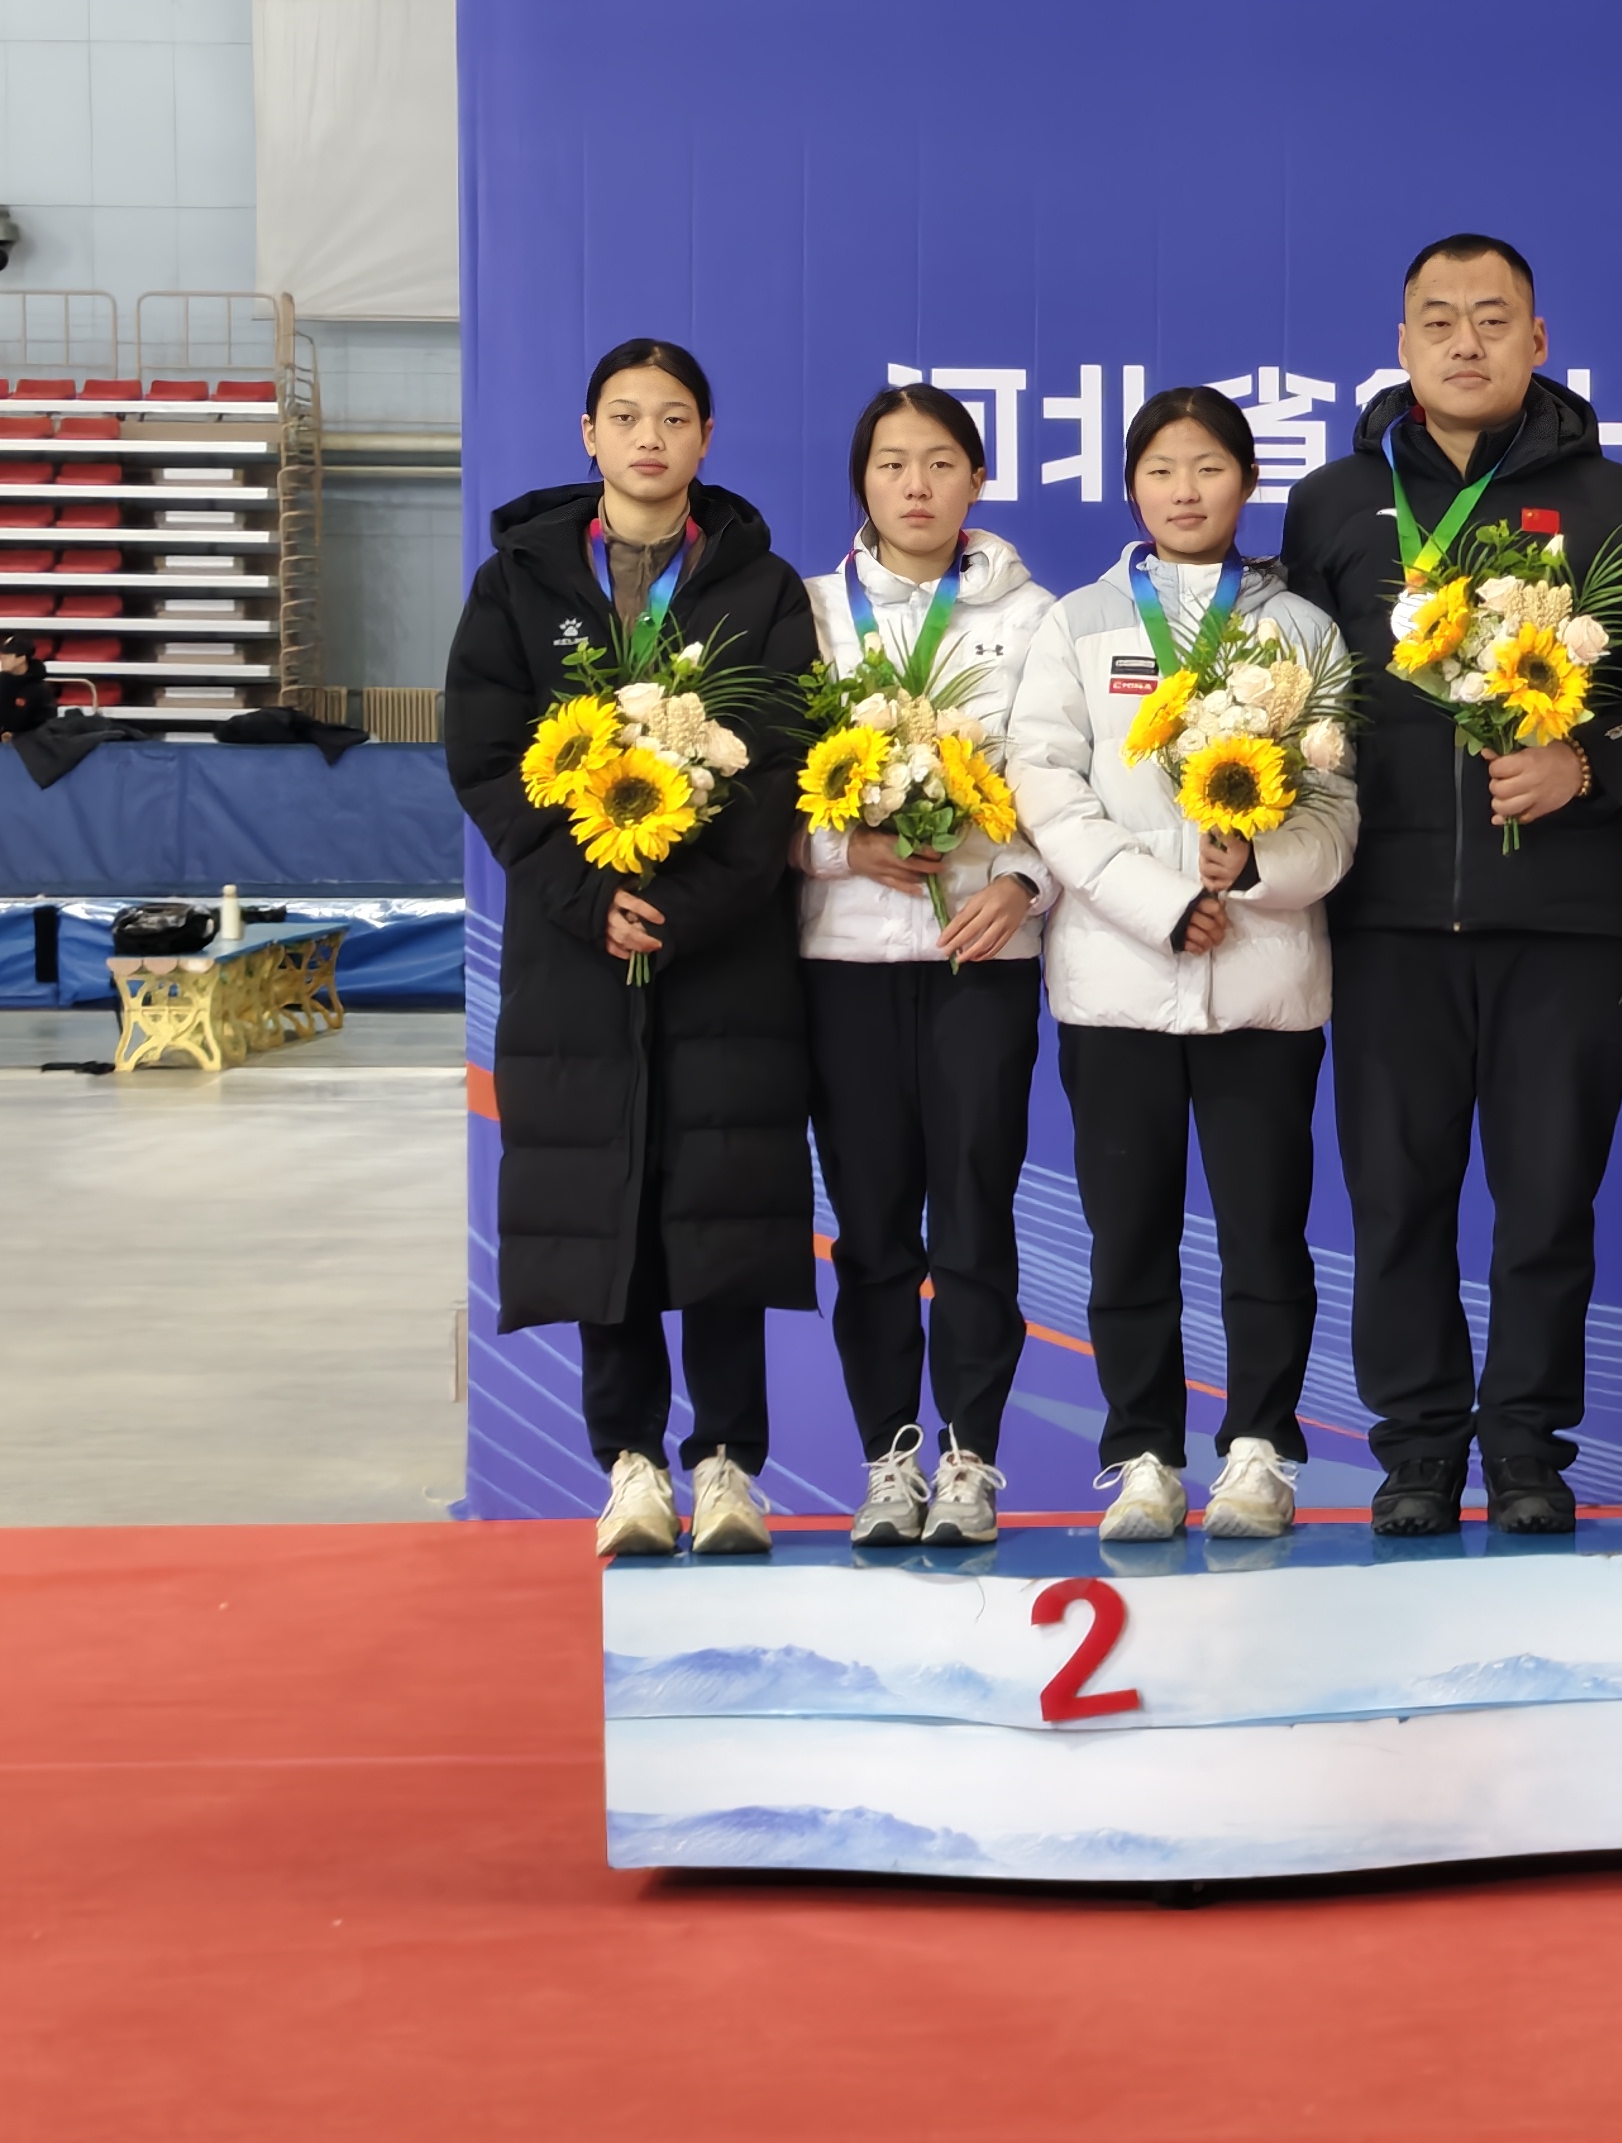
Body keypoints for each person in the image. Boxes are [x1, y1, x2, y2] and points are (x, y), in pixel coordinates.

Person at [1279, 236, 1622, 1535]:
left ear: (1538, 338)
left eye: (1490, 318)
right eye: (1437, 321)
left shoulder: (1620, 505)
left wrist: (1587, 765)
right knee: (1396, 1207)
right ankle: (1416, 1453)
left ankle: (1528, 1452)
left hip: (1561, 926)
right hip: (1386, 922)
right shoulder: (1334, 503)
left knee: (1546, 1208)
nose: (1464, 343)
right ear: (1402, 343)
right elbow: (1294, 694)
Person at [443, 337, 816, 1560]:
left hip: (725, 949)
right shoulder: (518, 582)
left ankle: (730, 1467)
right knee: (602, 1205)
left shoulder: (760, 587)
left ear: (706, 437)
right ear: (588, 434)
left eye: (673, 417)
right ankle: (633, 1466)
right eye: (624, 415)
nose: (649, 437)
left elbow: (780, 768)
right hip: (576, 948)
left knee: (720, 1205)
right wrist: (583, 891)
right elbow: (485, 759)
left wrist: (691, 905)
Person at [1004, 386, 1356, 1545]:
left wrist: (1252, 871)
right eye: (1161, 470)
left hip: (1264, 986)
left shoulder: (1300, 629)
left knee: (1265, 1235)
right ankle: (1143, 1457)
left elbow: (1337, 812)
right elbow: (1047, 792)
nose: (1185, 490)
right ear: (1130, 489)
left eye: (1208, 467)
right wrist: (1164, 901)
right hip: (1116, 985)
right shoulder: (1079, 623)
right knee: (1128, 1238)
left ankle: (1260, 1453)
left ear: (1245, 482)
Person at [794, 384, 1056, 1550]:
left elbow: (1061, 778)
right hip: (843, 960)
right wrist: (838, 849)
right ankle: (887, 1462)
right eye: (893, 462)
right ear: (862, 479)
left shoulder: (1034, 617)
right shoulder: (809, 611)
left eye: (941, 462)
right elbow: (763, 786)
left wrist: (1023, 883)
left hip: (979, 960)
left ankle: (971, 1460)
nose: (916, 485)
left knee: (975, 1219)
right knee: (870, 1230)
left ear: (977, 479)